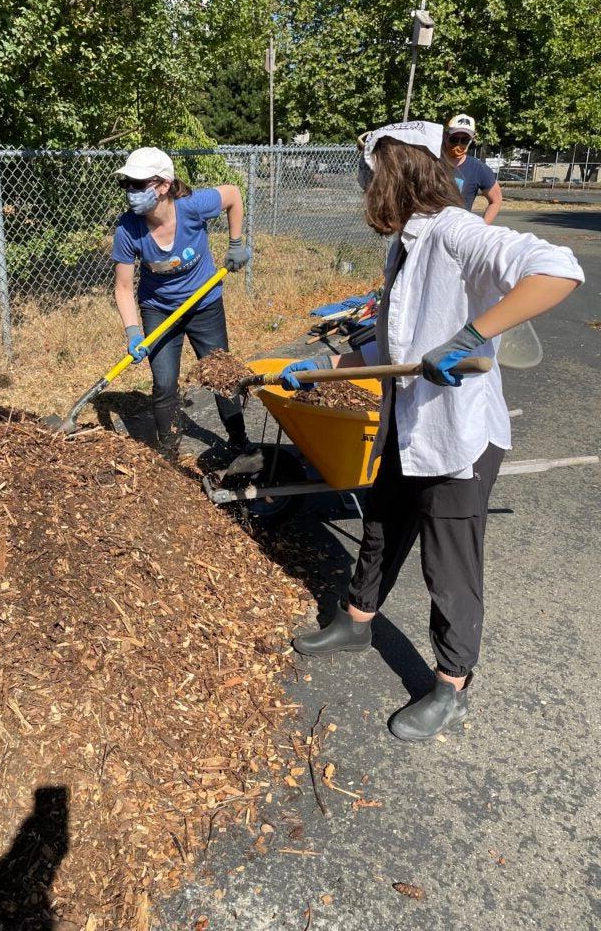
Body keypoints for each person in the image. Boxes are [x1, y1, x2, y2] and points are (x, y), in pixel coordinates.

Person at [282, 121, 583, 743]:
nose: (364, 189)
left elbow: (558, 267)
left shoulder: (455, 232)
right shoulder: (406, 244)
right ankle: (358, 621)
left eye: (368, 177)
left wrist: (472, 336)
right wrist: (323, 369)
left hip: (458, 438)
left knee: (449, 568)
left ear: (392, 174)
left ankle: (451, 685)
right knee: (382, 525)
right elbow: (397, 344)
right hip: (409, 425)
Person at [111, 146, 251, 458]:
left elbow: (232, 194)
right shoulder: (127, 229)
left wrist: (237, 243)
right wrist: (133, 332)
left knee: (222, 375)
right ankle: (168, 457)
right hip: (158, 309)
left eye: (138, 184)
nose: (131, 192)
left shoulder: (192, 206)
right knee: (163, 383)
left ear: (163, 185)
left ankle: (241, 445)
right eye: (127, 185)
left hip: (204, 304)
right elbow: (122, 287)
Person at [444, 113, 503, 223]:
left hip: (458, 233)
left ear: (472, 140)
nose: (458, 144)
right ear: (446, 136)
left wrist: (482, 227)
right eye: (454, 139)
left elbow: (496, 200)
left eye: (464, 140)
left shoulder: (478, 169)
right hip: (429, 232)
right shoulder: (431, 163)